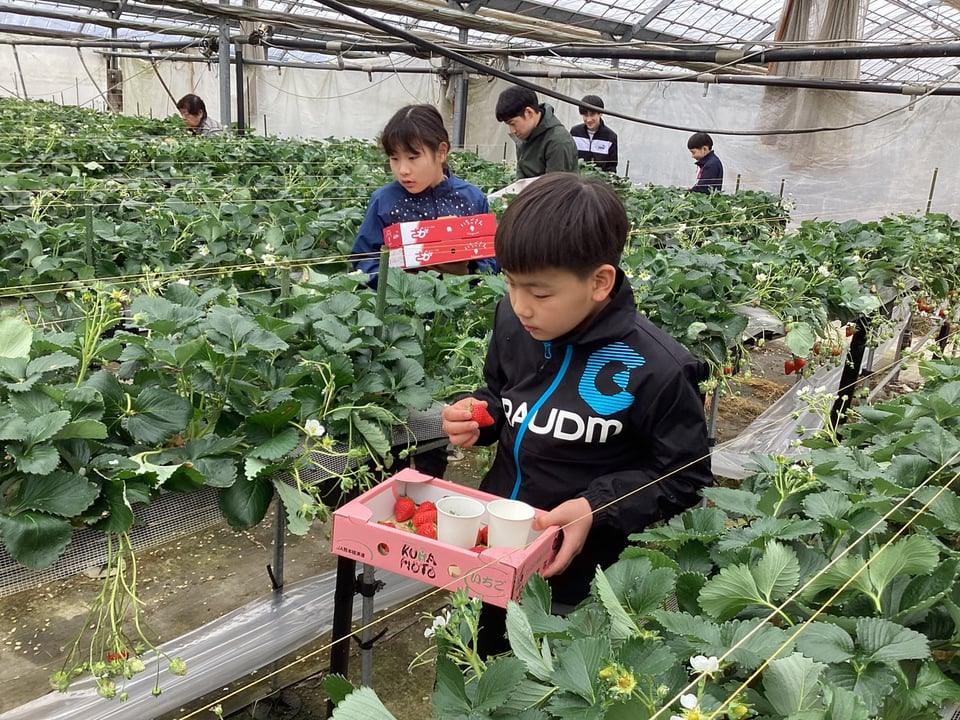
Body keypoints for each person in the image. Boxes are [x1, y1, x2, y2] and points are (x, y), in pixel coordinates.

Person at [441, 173, 713, 655]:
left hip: (579, 571)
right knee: (479, 662)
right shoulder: (513, 322)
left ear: (599, 282)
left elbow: (685, 474)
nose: (522, 306)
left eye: (540, 293)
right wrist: (479, 415)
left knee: (553, 670)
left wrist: (596, 505)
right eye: (511, 284)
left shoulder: (656, 368)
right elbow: (502, 395)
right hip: (495, 540)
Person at [350, 104, 497, 290]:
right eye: (394, 158)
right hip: (403, 304)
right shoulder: (383, 201)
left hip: (459, 302)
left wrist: (467, 274)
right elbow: (364, 259)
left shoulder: (472, 198)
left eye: (413, 157)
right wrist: (404, 280)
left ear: (441, 152)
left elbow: (490, 261)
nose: (403, 170)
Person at [494, 86, 578, 179]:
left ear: (529, 112)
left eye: (513, 124)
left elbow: (555, 185)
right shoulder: (524, 135)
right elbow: (521, 178)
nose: (512, 131)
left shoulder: (558, 140)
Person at [569, 95, 618, 173]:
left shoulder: (610, 137)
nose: (588, 120)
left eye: (592, 115)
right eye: (585, 115)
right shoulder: (575, 132)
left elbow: (611, 168)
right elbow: (569, 159)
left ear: (601, 113)